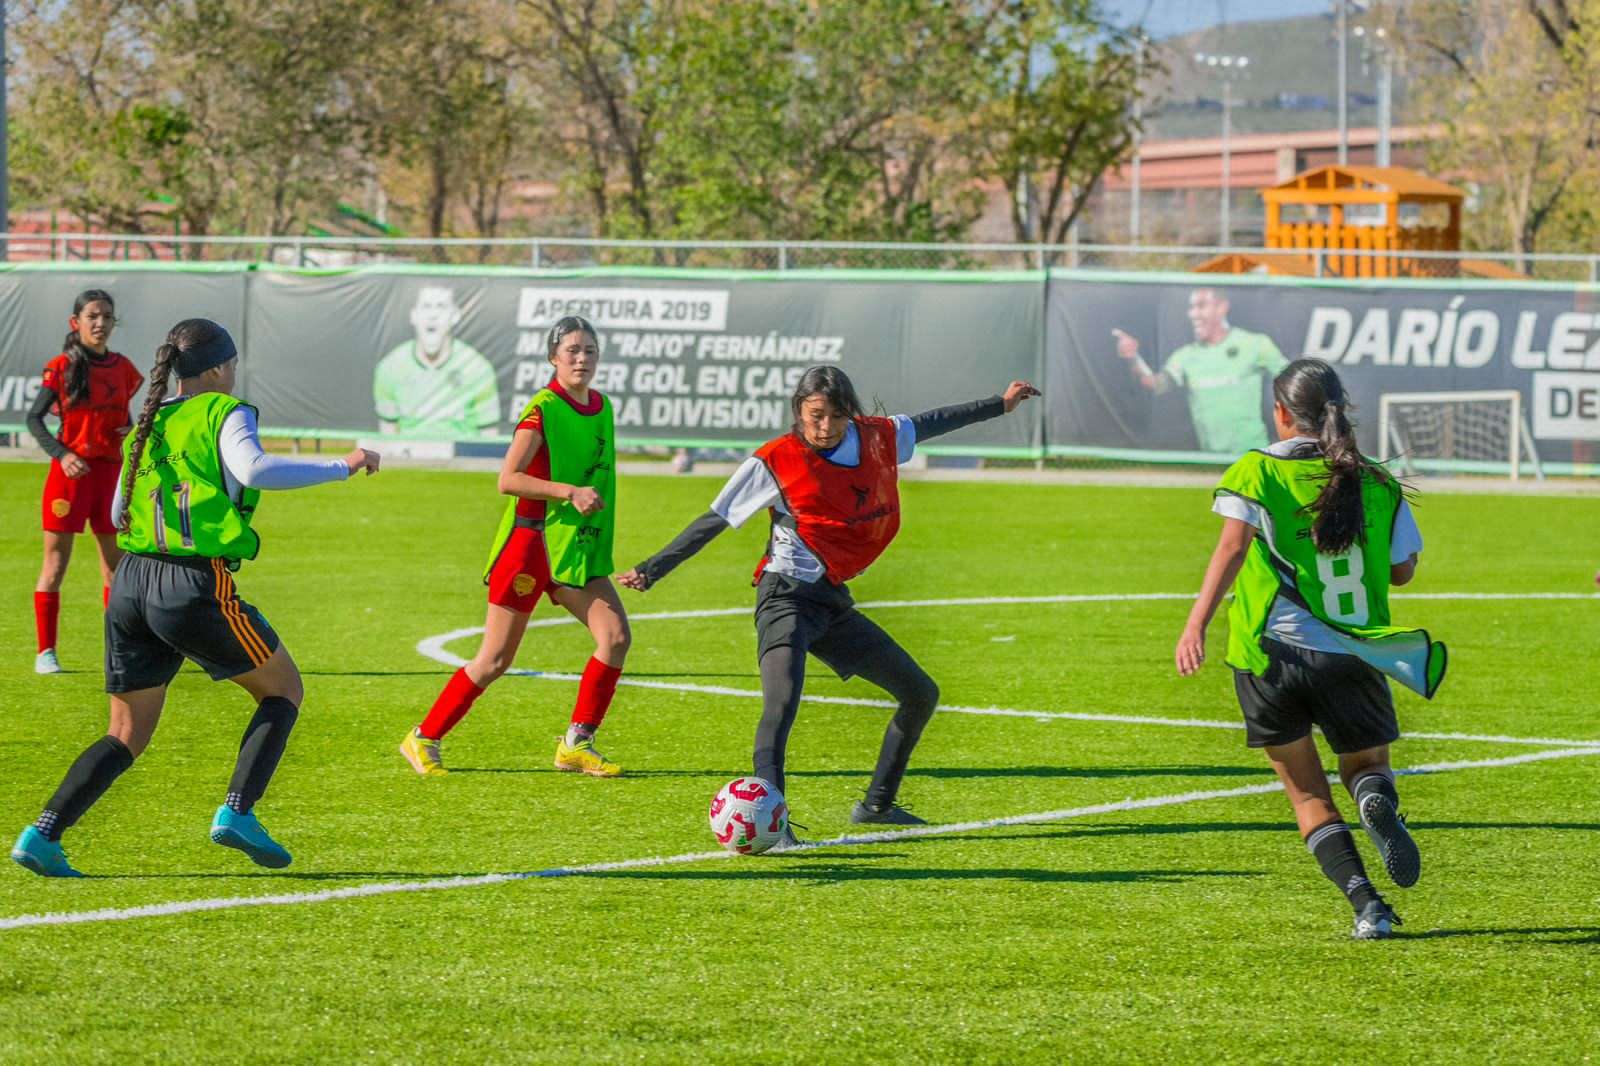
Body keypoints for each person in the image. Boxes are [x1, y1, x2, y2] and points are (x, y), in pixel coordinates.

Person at [9, 319, 381, 878]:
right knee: (284, 690)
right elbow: (253, 467)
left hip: (131, 581)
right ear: (215, 368)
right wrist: (343, 465)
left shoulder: (150, 420)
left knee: (125, 734)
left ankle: (42, 835)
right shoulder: (223, 411)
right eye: (230, 364)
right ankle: (237, 812)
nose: (233, 373)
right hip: (189, 583)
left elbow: (116, 515)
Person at [618, 367, 1039, 835]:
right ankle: (772, 825)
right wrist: (650, 570)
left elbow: (934, 420)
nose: (824, 427)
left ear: (849, 414)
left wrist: (1000, 404)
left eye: (835, 416)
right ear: (798, 411)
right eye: (814, 416)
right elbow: (715, 520)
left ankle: (877, 805)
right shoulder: (775, 460)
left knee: (920, 693)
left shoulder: (877, 438)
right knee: (781, 705)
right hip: (784, 598)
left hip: (830, 602)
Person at [1174, 358, 1447, 940]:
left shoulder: (1257, 470)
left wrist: (1195, 623)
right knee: (1368, 766)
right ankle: (1374, 798)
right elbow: (1402, 572)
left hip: (1269, 655)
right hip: (1352, 653)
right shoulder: (1374, 478)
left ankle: (1367, 907)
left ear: (1279, 412)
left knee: (1305, 793)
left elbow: (1231, 550)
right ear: (1338, 409)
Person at [400, 315, 631, 778]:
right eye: (573, 351)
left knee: (615, 637)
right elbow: (508, 479)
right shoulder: (542, 408)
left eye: (590, 351)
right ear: (553, 357)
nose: (582, 359)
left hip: (572, 548)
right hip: (529, 544)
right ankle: (423, 737)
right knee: (495, 660)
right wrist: (569, 492)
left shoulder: (602, 406)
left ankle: (576, 744)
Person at [25, 289, 144, 675]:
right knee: (55, 566)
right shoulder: (60, 366)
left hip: (110, 476)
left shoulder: (123, 367)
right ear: (75, 323)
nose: (100, 323)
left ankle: (119, 652)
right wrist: (63, 454)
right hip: (70, 478)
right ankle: (46, 652)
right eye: (93, 316)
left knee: (116, 570)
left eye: (107, 316)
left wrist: (129, 428)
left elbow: (123, 416)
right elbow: (33, 419)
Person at [1113, 286, 1288, 454]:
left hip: (1251, 455)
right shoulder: (1184, 356)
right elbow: (1156, 384)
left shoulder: (1255, 344)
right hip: (1210, 459)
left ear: (1222, 308)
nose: (1193, 314)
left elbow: (1294, 380)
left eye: (1201, 306)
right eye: (1191, 307)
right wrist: (1133, 358)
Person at [373, 285, 501, 438]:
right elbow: (387, 433)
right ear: (414, 316)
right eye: (426, 307)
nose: (432, 315)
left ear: (454, 316)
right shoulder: (390, 367)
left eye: (441, 307)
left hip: (462, 458)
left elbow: (489, 435)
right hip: (407, 457)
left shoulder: (478, 368)